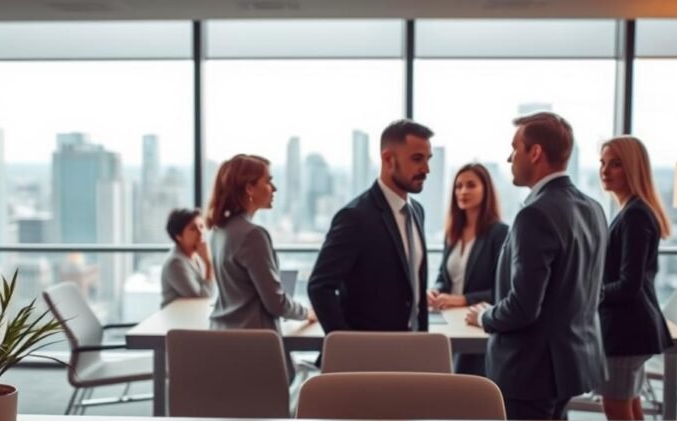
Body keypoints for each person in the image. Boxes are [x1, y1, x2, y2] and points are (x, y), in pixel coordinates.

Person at [467, 112, 607, 421]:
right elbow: (591, 291)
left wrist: (485, 316)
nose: (509, 157)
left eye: (515, 147)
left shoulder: (535, 214)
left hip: (531, 372)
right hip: (573, 364)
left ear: (535, 152)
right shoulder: (593, 208)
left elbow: (523, 307)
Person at [308, 120, 433, 333]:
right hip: (369, 352)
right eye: (417, 159)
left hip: (413, 346)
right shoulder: (355, 217)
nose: (426, 169)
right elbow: (320, 287)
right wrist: (347, 345)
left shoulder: (417, 211)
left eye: (428, 159)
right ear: (388, 159)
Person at [597, 136, 674, 421]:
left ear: (632, 168)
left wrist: (590, 293)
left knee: (616, 409)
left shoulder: (634, 216)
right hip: (631, 327)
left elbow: (628, 286)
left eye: (615, 164)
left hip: (625, 330)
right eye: (603, 163)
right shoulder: (632, 210)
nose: (605, 170)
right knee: (630, 406)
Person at [207, 154, 315, 332]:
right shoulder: (252, 235)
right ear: (249, 188)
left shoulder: (219, 231)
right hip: (255, 343)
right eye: (268, 181)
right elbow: (275, 303)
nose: (274, 188)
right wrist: (306, 313)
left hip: (223, 336)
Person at [428, 163, 509, 375]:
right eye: (458, 186)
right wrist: (435, 290)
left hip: (476, 323)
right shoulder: (452, 232)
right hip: (448, 320)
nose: (463, 191)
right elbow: (443, 278)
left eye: (471, 185)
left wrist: (462, 299)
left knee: (466, 383)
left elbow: (501, 291)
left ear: (486, 190)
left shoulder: (499, 233)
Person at [160, 208, 215, 308]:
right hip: (177, 320)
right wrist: (208, 263)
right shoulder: (175, 263)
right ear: (178, 236)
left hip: (193, 315)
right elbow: (202, 298)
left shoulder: (196, 255)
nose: (200, 232)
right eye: (193, 229)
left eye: (201, 226)